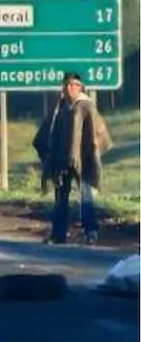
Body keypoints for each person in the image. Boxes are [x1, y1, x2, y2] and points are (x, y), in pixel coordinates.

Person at [33, 72, 111, 245]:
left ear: (81, 87)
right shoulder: (59, 107)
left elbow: (96, 133)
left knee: (86, 195)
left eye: (74, 84)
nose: (70, 88)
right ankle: (58, 234)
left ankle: (90, 232)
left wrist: (91, 153)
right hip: (62, 159)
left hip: (83, 159)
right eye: (67, 84)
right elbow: (50, 130)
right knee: (60, 196)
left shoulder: (86, 106)